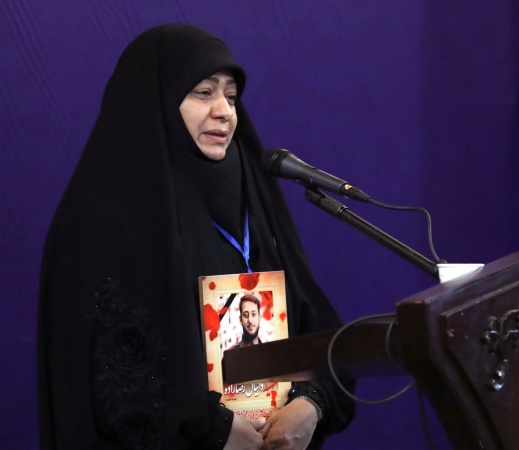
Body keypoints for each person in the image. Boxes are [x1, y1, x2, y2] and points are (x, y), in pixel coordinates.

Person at [38, 23, 354, 450]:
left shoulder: (252, 197)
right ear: (157, 101)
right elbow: (96, 373)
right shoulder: (101, 218)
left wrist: (312, 402)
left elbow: (312, 327)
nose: (225, 111)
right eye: (204, 92)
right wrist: (211, 428)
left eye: (232, 96)